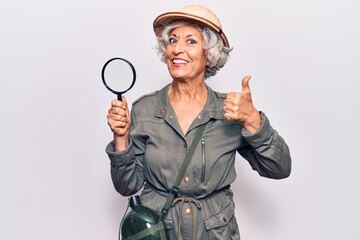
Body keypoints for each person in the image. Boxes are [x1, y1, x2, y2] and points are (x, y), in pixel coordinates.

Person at [106, 4, 291, 240]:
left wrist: (254, 121)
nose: (177, 49)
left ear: (209, 55)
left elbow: (280, 168)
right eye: (172, 40)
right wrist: (121, 139)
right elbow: (127, 187)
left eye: (191, 41)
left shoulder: (231, 111)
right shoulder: (144, 109)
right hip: (159, 232)